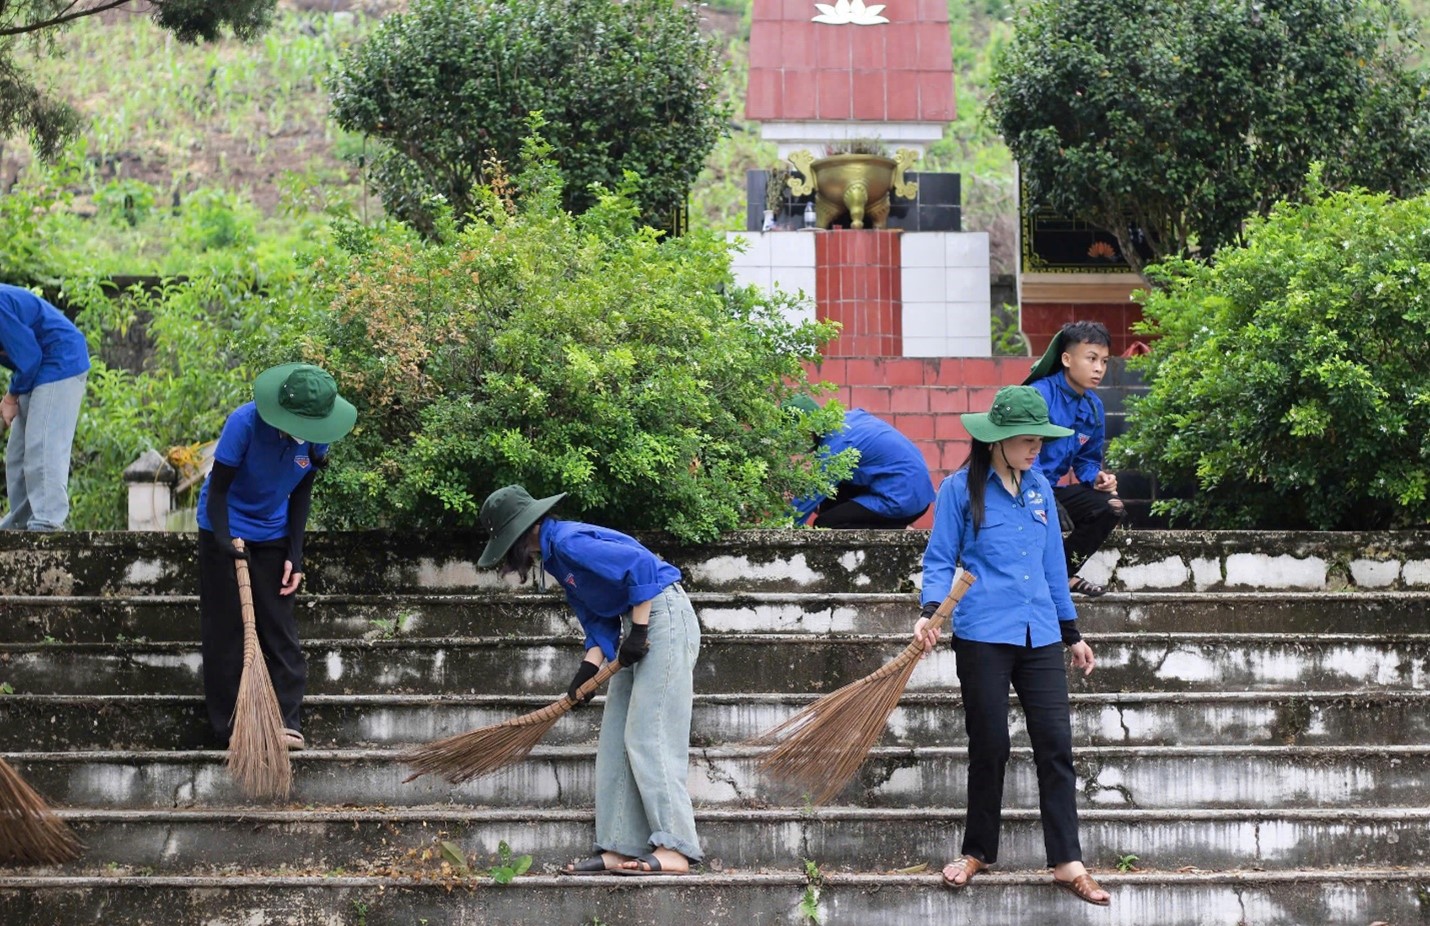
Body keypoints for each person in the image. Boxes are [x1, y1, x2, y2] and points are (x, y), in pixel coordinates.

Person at [914, 385, 1110, 907]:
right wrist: (929, 612)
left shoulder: (1041, 487)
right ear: (996, 440)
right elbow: (939, 558)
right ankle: (977, 851)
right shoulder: (959, 489)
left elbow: (1053, 567)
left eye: (1039, 438)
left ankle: (1067, 862)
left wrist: (1072, 633)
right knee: (991, 745)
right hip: (982, 633)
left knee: (1056, 744)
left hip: (1040, 631)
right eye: (1026, 439)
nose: (1036, 447)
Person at [476, 484, 702, 877]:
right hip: (638, 621)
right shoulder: (555, 559)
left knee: (650, 732)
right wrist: (587, 671)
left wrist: (639, 632)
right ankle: (619, 845)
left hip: (663, 616)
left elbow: (642, 566)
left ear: (525, 529)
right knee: (615, 739)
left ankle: (676, 848)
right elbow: (598, 620)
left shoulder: (568, 542)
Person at [196, 363, 356, 751]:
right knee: (226, 630)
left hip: (273, 531)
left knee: (279, 627)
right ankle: (230, 728)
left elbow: (301, 493)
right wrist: (224, 540)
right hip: (224, 523)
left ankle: (286, 721)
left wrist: (294, 555)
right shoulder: (244, 423)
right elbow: (218, 491)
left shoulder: (318, 437)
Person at [1024, 320, 1125, 597]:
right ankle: (1051, 578)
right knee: (1048, 509)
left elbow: (1086, 460)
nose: (1099, 368)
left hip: (1051, 490)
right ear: (1067, 359)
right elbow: (1022, 457)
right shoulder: (1039, 395)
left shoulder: (1093, 407)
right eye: (1091, 358)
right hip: (1020, 489)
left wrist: (1097, 478)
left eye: (1104, 361)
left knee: (1112, 507)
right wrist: (1044, 496)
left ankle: (1063, 573)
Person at [0, 284, 91, 532]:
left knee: (42, 445)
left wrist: (10, 397)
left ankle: (47, 521)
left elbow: (29, 356)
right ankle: (21, 522)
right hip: (36, 369)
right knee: (17, 454)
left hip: (60, 360)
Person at [787, 396, 935, 529]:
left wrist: (781, 528)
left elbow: (807, 500)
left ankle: (894, 529)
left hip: (902, 499)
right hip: (910, 491)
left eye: (793, 438)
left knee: (825, 524)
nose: (792, 445)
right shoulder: (846, 421)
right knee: (832, 500)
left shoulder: (837, 445)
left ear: (807, 429)